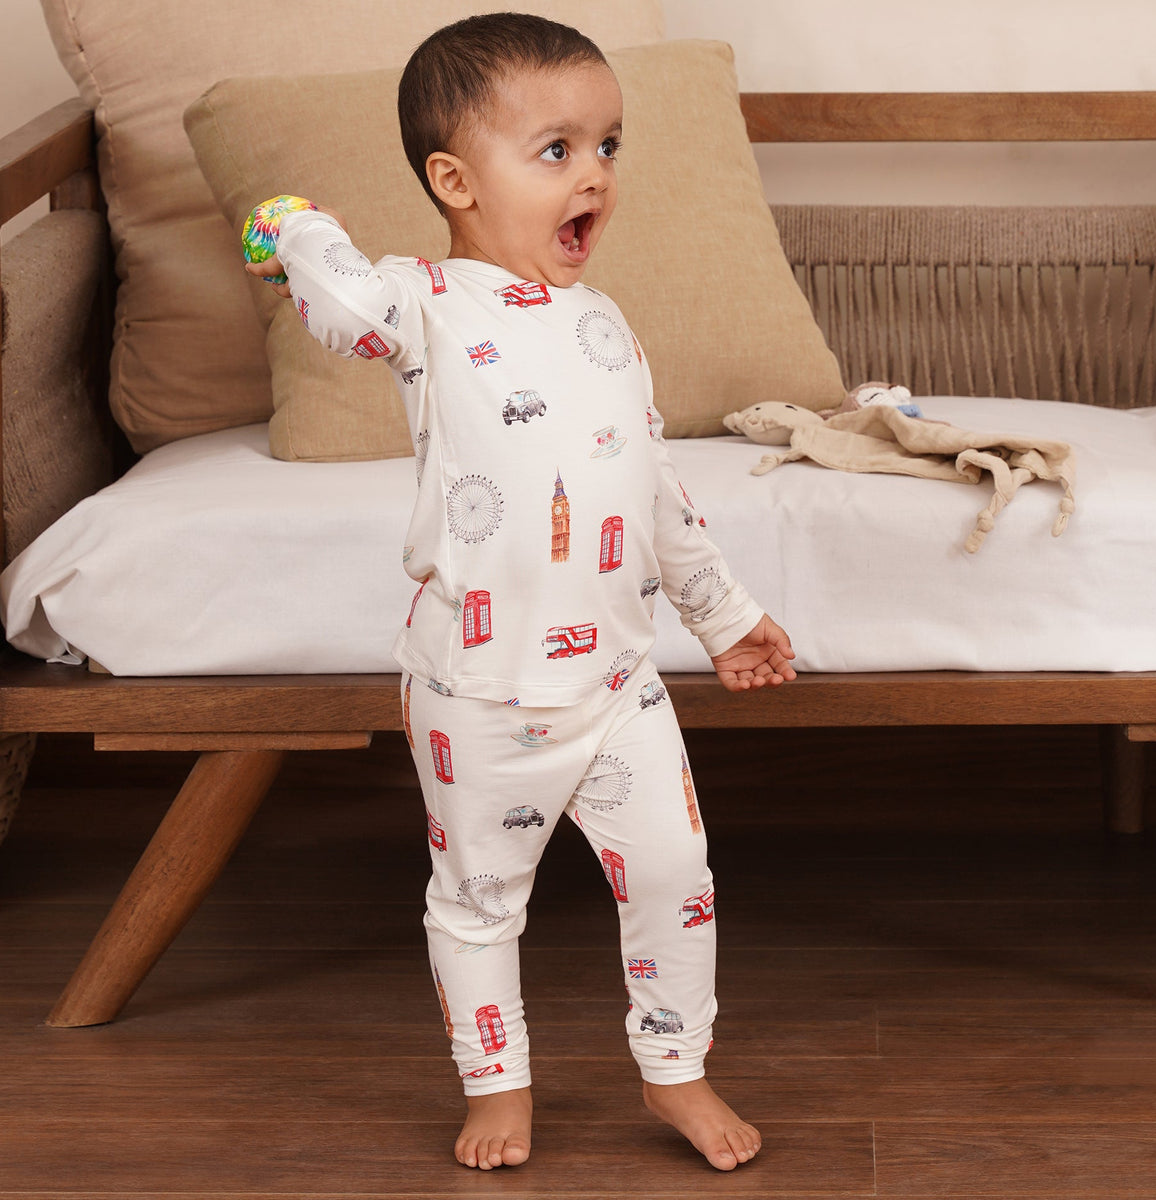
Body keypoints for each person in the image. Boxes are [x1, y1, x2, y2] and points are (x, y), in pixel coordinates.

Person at [245, 12, 796, 1173]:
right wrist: (292, 227)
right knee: (480, 901)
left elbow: (654, 490)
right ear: (454, 180)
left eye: (608, 146)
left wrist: (726, 615)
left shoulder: (606, 327)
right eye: (556, 150)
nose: (594, 172)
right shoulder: (423, 305)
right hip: (480, 693)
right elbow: (335, 304)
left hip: (617, 681)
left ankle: (675, 1069)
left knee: (674, 878)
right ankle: (499, 1082)